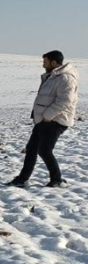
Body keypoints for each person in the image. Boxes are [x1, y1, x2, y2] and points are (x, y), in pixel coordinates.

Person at [7, 51, 79, 188]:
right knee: (31, 149)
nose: (43, 65)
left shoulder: (65, 78)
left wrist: (47, 115)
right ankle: (23, 179)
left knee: (44, 150)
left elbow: (66, 101)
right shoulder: (52, 76)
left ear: (53, 62)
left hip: (55, 120)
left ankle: (57, 179)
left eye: (45, 62)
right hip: (44, 120)